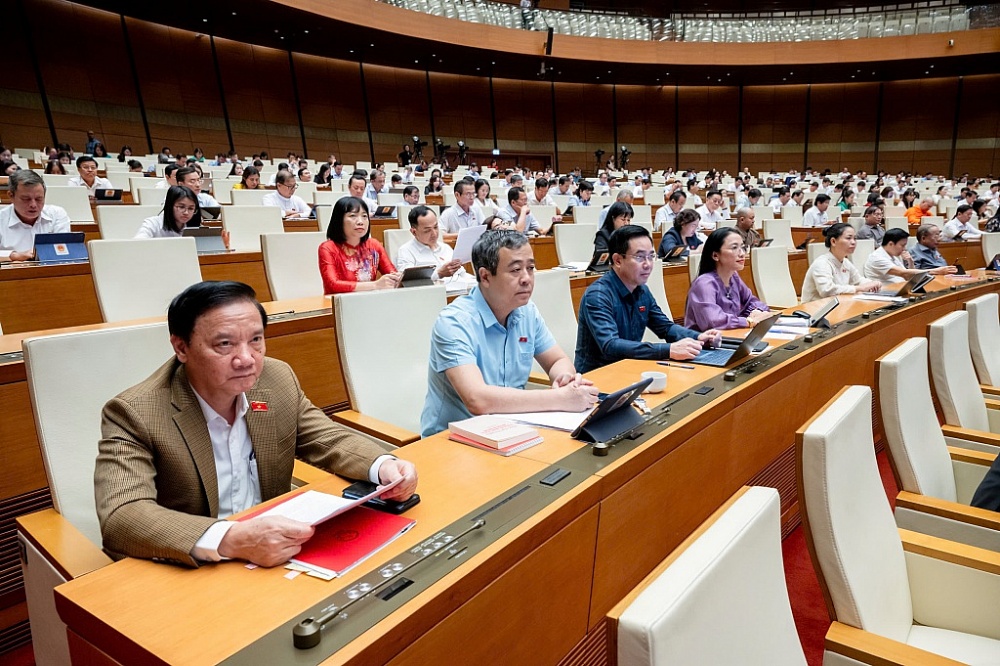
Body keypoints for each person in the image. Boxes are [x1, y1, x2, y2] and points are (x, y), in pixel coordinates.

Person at [94, 280, 417, 566]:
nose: (246, 358)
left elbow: (326, 438)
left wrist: (383, 465)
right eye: (225, 344)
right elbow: (122, 515)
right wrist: (233, 539)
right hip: (196, 562)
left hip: (277, 551)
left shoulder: (275, 379)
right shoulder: (135, 412)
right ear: (181, 347)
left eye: (256, 340)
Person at [420, 230, 598, 436]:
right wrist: (560, 399)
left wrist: (565, 379)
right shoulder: (454, 322)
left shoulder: (527, 311)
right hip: (452, 440)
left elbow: (557, 360)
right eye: (515, 270)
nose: (526, 279)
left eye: (530, 268)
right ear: (485, 276)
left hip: (513, 431)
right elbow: (477, 399)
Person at [574, 225, 721, 374]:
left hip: (630, 371)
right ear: (618, 260)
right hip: (597, 378)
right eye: (639, 257)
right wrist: (669, 350)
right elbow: (611, 346)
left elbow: (665, 327)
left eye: (651, 256)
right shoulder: (598, 295)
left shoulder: (642, 290)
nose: (648, 264)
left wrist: (698, 337)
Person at [684, 228, 770, 332]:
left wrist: (757, 311)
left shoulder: (734, 277)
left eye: (743, 247)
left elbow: (752, 301)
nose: (742, 253)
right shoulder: (704, 283)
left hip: (731, 337)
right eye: (734, 248)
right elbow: (713, 322)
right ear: (715, 255)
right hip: (704, 344)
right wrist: (748, 321)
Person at [319, 196, 400, 294]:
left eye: (364, 216)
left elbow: (392, 273)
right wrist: (375, 285)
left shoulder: (374, 245)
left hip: (369, 301)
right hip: (339, 303)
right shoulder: (328, 248)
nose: (360, 221)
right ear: (339, 220)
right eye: (353, 216)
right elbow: (332, 284)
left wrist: (397, 278)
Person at [0, 170, 71, 261]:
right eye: (26, 199)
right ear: (11, 196)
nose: (33, 205)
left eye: (39, 199)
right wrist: (13, 255)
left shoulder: (57, 214)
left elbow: (64, 248)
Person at [800, 223, 881, 302]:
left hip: (837, 306)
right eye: (848, 238)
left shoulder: (845, 262)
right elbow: (826, 290)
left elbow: (858, 280)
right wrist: (859, 288)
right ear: (833, 241)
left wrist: (873, 283)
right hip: (814, 310)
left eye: (855, 238)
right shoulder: (821, 263)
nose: (853, 242)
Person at [395, 205, 465, 280]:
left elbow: (462, 273)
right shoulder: (406, 251)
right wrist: (439, 274)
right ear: (414, 232)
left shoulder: (446, 248)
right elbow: (407, 281)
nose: (434, 234)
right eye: (427, 230)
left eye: (435, 227)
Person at [864, 228, 956, 284]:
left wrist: (910, 261)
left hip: (900, 289)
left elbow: (908, 276)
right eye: (902, 245)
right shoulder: (877, 258)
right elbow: (904, 273)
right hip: (885, 293)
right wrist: (937, 271)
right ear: (891, 244)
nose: (904, 249)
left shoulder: (893, 255)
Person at [135, 186, 202, 238]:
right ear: (170, 206)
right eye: (181, 207)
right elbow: (138, 244)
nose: (186, 212)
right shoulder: (152, 224)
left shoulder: (195, 228)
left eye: (191, 208)